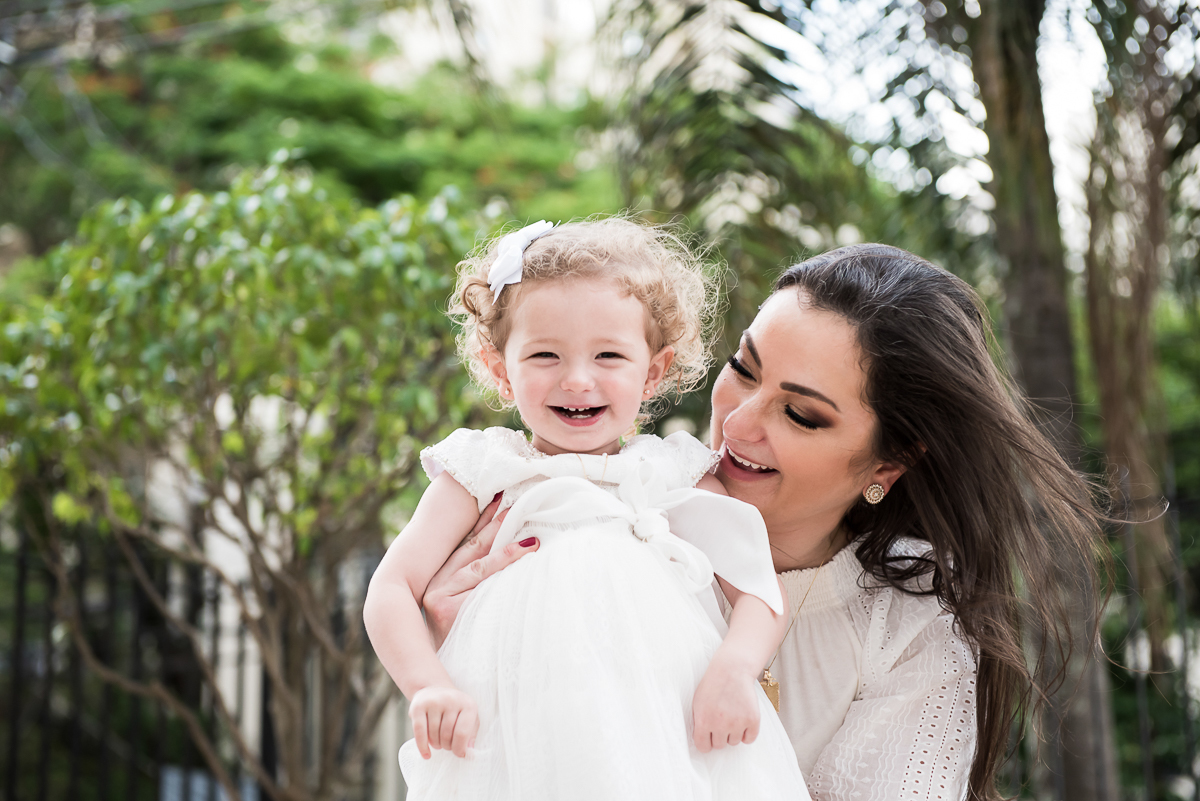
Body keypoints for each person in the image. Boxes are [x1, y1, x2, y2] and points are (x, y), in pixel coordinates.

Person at [423, 243, 1106, 801]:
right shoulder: (616, 510)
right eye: (743, 369)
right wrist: (471, 633)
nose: (739, 422)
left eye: (801, 414)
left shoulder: (907, 629)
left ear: (889, 462)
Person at [363, 217, 811, 800]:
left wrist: (735, 668)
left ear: (652, 371)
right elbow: (391, 587)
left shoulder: (669, 472)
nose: (577, 380)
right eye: (545, 355)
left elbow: (757, 585)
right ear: (502, 370)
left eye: (608, 355)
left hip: (660, 725)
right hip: (520, 729)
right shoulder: (485, 469)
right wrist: (427, 685)